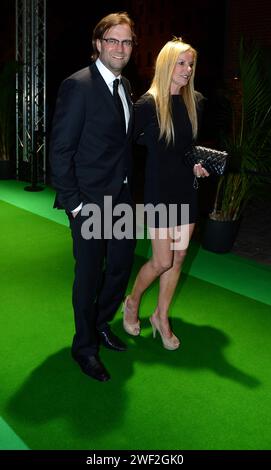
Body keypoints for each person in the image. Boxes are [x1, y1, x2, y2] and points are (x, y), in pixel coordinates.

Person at [49, 12, 136, 381]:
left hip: (122, 199)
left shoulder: (125, 85)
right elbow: (60, 149)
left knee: (118, 268)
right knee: (88, 276)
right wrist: (75, 203)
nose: (120, 47)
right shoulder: (78, 85)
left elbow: (122, 140)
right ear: (98, 44)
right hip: (89, 202)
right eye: (113, 40)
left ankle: (101, 324)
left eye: (127, 41)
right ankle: (83, 347)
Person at [122, 38, 209, 349]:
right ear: (166, 65)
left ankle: (161, 316)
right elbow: (125, 142)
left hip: (186, 189)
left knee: (180, 256)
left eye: (190, 64)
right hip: (159, 191)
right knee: (161, 260)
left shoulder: (194, 101)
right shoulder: (146, 105)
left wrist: (197, 163)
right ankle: (132, 301)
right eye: (182, 63)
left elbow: (187, 148)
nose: (187, 70)